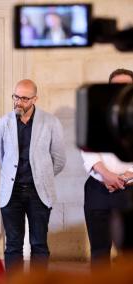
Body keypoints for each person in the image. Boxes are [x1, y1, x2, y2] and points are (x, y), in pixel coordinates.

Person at [0, 79, 66, 272]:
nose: (18, 102)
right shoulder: (3, 123)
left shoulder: (51, 122)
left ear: (35, 99)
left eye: (24, 98)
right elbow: (1, 158)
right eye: (16, 97)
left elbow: (59, 159)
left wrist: (42, 177)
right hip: (12, 193)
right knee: (13, 246)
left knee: (39, 244)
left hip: (39, 193)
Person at [80, 68, 133, 267]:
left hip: (130, 190)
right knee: (100, 252)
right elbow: (87, 149)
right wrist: (108, 176)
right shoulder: (94, 113)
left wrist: (127, 176)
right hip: (98, 189)